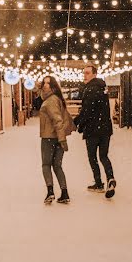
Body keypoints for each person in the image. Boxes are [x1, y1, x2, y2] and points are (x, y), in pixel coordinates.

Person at [73, 64, 116, 199]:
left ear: (94, 74)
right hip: (105, 129)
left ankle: (98, 184)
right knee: (103, 156)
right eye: (84, 73)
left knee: (93, 157)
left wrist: (76, 123)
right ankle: (110, 178)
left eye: (87, 73)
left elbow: (87, 111)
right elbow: (98, 110)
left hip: (93, 130)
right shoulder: (102, 88)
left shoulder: (91, 89)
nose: (84, 75)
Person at [39, 75, 75, 205]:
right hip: (57, 138)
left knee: (46, 165)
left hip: (49, 138)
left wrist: (62, 139)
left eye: (47, 83)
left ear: (53, 86)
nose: (45, 85)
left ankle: (50, 192)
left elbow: (58, 120)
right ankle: (64, 193)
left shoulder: (50, 101)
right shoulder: (56, 99)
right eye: (44, 82)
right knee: (57, 165)